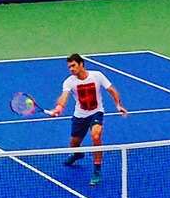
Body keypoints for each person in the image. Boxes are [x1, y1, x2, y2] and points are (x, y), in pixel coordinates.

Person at [49, 54, 128, 186]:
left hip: (96, 113)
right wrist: (58, 108)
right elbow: (64, 96)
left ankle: (97, 170)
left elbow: (112, 90)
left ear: (81, 64)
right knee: (74, 143)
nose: (71, 69)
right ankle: (77, 154)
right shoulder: (69, 81)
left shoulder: (97, 76)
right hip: (79, 116)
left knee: (96, 136)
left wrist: (118, 105)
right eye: (69, 67)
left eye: (73, 65)